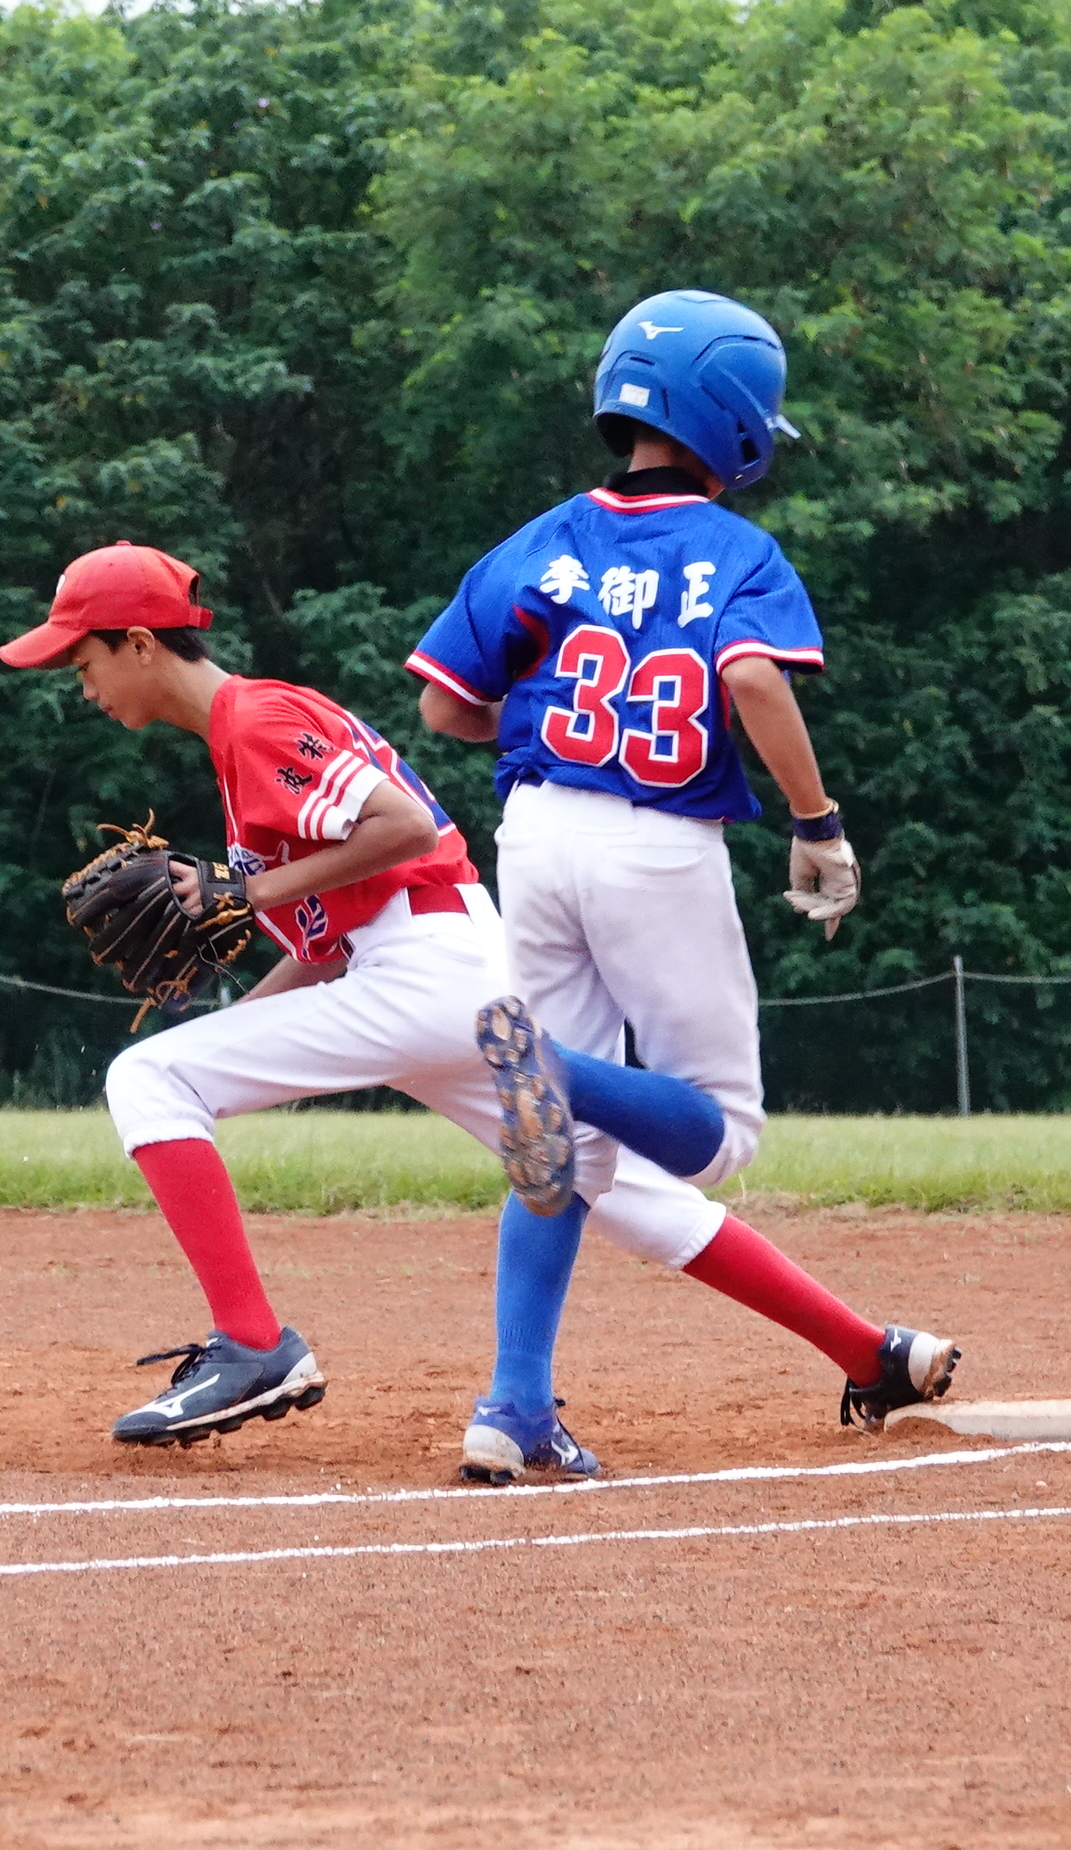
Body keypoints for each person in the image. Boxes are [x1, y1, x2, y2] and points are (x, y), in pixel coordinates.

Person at [3, 542, 744, 1455]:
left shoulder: (257, 718)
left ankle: (253, 1345)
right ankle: (873, 1352)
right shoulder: (245, 738)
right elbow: (325, 952)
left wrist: (246, 894)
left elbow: (404, 826)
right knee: (624, 1191)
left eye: (84, 660)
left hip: (426, 968)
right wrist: (236, 1025)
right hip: (443, 972)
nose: (82, 686)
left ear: (142, 645)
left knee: (147, 1080)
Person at [410, 289, 961, 1478]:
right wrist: (816, 821)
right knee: (718, 1136)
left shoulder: (543, 539)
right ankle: (550, 1069)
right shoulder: (735, 550)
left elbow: (444, 706)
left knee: (558, 1148)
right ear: (739, 424)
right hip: (657, 845)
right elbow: (754, 678)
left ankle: (513, 1410)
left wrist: (551, 714)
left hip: (535, 830)